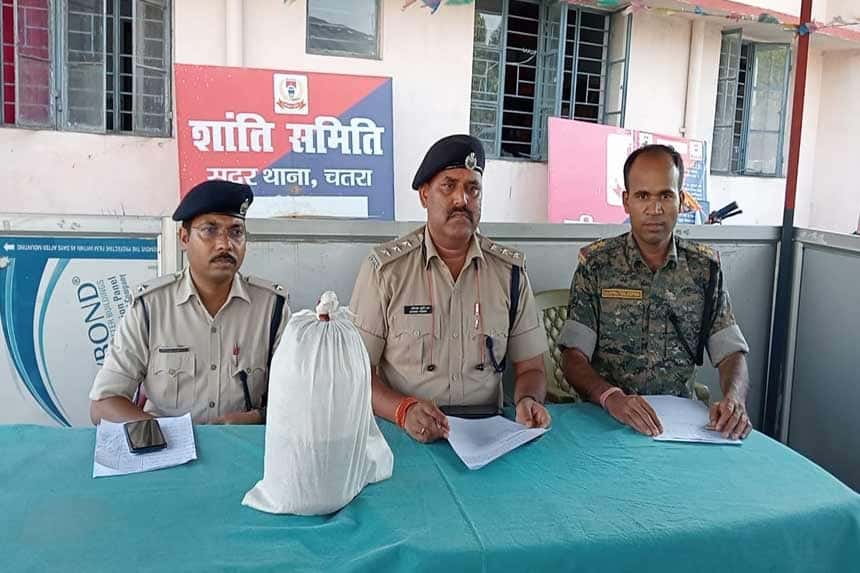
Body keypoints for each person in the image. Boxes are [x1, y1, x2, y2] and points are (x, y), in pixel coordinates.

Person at [349, 134, 551, 443]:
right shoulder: (386, 271)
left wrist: (528, 400)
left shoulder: (509, 273)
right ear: (425, 195)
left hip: (486, 433)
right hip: (406, 431)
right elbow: (356, 371)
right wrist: (403, 410)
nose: (462, 200)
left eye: (473, 189)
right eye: (449, 186)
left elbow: (532, 368)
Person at [559, 144, 752, 440]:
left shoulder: (704, 270)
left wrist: (734, 399)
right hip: (606, 421)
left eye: (665, 195)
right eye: (642, 196)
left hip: (680, 428)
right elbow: (573, 357)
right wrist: (611, 397)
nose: (655, 209)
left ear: (681, 200)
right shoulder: (597, 265)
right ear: (626, 201)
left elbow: (730, 353)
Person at [89, 180, 290, 425]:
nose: (225, 244)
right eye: (210, 230)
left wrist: (257, 418)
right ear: (184, 238)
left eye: (236, 232)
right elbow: (104, 403)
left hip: (243, 445)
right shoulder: (151, 307)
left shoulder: (272, 309)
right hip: (163, 445)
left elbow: (298, 400)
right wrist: (168, 436)